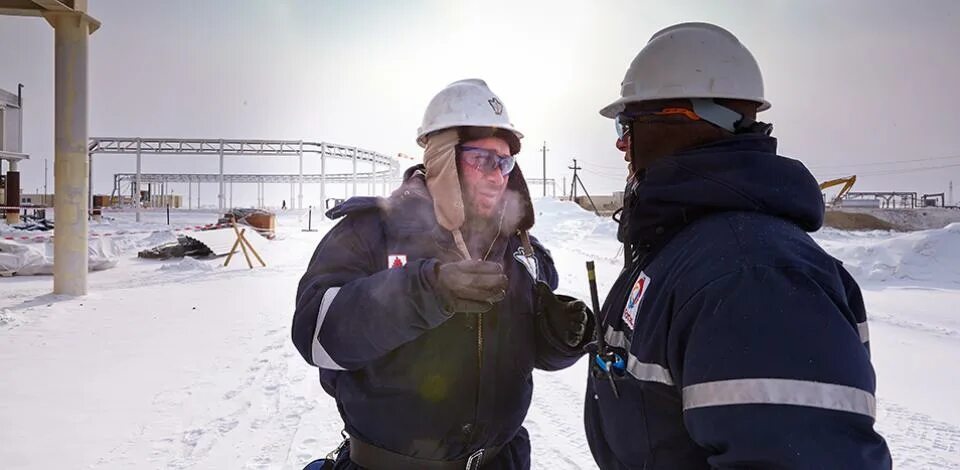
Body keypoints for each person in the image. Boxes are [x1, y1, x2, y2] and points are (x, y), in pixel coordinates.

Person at [584, 23, 892, 469]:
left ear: (685, 120)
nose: (621, 144)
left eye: (628, 125)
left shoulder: (754, 277)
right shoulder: (687, 249)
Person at [292, 79, 592, 470]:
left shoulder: (517, 249)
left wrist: (559, 338)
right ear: (442, 157)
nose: (498, 175)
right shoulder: (371, 231)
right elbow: (315, 334)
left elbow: (524, 350)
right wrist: (425, 291)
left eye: (505, 162)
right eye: (483, 159)